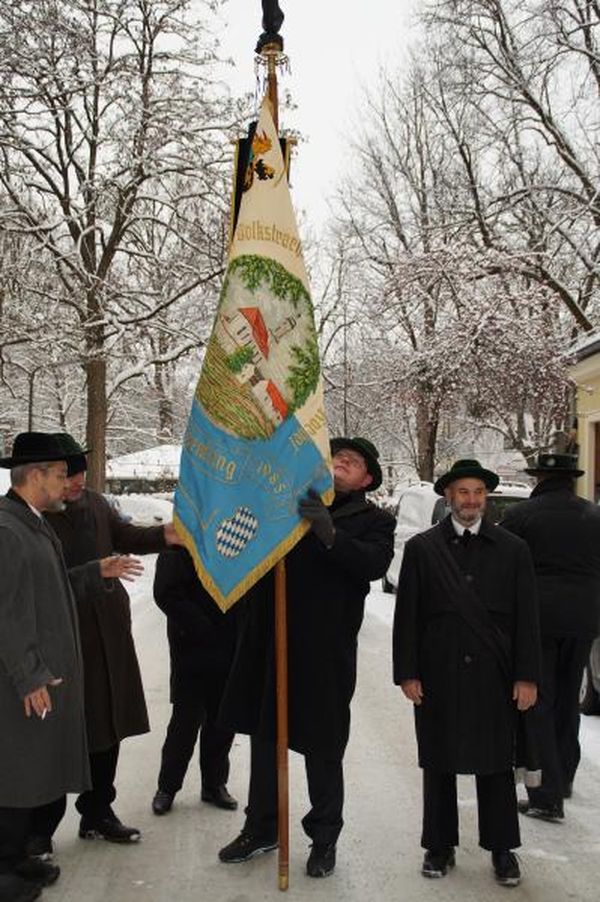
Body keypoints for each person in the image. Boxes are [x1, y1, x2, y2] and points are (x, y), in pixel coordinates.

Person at [217, 437, 395, 878]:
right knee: (264, 739)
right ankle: (261, 827)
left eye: (351, 463)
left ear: (367, 478)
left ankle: (324, 837)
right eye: (335, 457)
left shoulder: (375, 521)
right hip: (271, 642)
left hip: (325, 651)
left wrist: (328, 532)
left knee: (323, 746)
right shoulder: (289, 503)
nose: (340, 464)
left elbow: (372, 564)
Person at [393, 459, 541, 888]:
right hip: (438, 674)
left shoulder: (514, 550)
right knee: (438, 761)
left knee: (495, 764)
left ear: (486, 497)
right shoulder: (422, 548)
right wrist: (408, 672)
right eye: (463, 492)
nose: (471, 500)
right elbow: (408, 617)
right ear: (449, 496)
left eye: (478, 492)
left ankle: (502, 849)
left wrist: (527, 676)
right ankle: (439, 845)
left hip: (495, 677)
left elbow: (527, 619)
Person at [37, 434, 181, 854]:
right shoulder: (34, 518)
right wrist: (95, 570)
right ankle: (37, 831)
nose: (77, 481)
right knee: (58, 732)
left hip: (108, 633)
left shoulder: (97, 503)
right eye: (68, 474)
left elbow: (125, 535)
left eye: (80, 471)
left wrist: (165, 535)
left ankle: (98, 811)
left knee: (108, 725)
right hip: (63, 636)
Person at [0, 433, 90, 902]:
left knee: (28, 771)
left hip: (35, 675)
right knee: (14, 772)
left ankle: (16, 860)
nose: (66, 483)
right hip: (18, 683)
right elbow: (6, 612)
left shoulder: (31, 522)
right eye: (59, 475)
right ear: (34, 477)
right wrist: (30, 674)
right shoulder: (7, 529)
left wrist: (98, 572)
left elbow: (46, 589)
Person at [502, 453, 600, 821]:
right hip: (584, 621)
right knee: (567, 702)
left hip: (537, 620)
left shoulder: (521, 516)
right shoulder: (593, 515)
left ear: (540, 478)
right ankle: (565, 778)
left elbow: (504, 565)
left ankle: (545, 794)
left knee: (538, 701)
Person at [151, 547, 238, 816]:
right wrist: (202, 626)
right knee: (185, 721)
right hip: (191, 642)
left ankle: (214, 784)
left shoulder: (231, 530)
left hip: (230, 640)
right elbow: (165, 592)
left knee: (222, 719)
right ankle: (167, 787)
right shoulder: (181, 536)